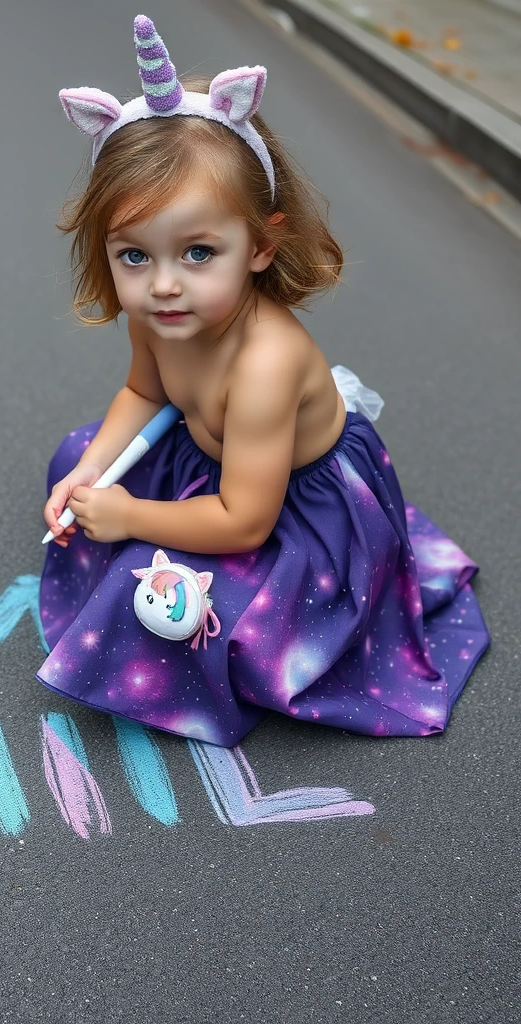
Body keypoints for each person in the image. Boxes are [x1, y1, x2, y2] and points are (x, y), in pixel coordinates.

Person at [36, 15, 489, 747]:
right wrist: (94, 471)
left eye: (198, 251)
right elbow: (145, 397)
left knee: (162, 605)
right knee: (70, 460)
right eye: (135, 257)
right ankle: (126, 529)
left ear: (260, 245)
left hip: (291, 518)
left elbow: (245, 520)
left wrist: (127, 518)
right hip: (212, 466)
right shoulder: (159, 317)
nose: (164, 286)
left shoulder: (265, 365)